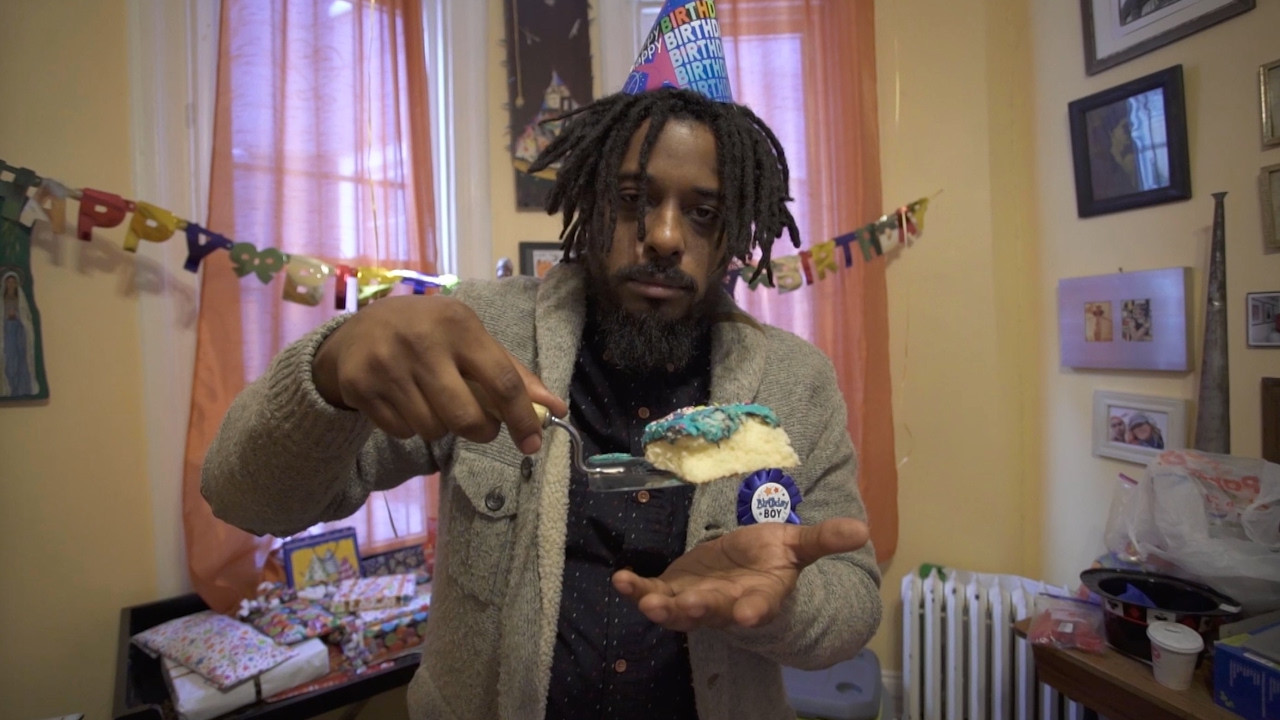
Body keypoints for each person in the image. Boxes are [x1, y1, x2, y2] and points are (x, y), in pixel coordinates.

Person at [202, 6, 880, 719]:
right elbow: (246, 499)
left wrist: (780, 605)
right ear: (589, 200)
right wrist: (329, 375)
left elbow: (852, 598)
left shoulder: (797, 382)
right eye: (632, 200)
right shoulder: (480, 331)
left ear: (736, 230)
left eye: (702, 212)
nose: (663, 235)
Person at [1, 270, 37, 397]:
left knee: (21, 360)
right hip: (6, 332)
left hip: (19, 331)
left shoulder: (20, 299)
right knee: (9, 361)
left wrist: (18, 317)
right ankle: (9, 388)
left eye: (13, 282)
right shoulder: (2, 300)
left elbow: (26, 317)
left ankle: (21, 389)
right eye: (9, 282)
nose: (11, 284)